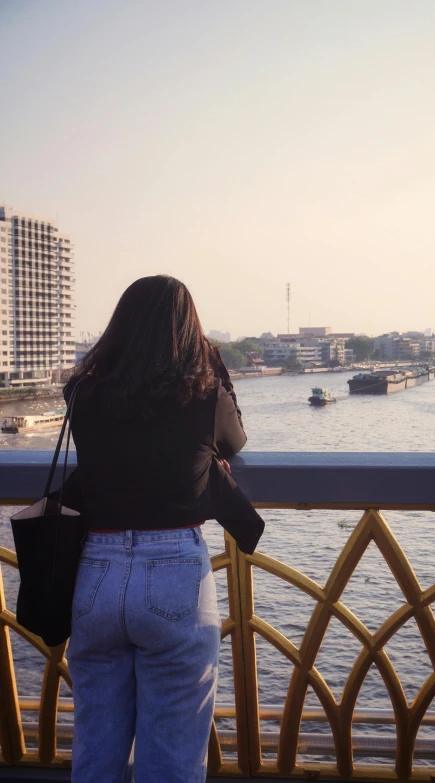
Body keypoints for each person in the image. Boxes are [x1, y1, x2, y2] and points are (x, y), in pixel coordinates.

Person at [59, 275, 264, 783]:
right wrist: (215, 364)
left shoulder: (82, 392)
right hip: (174, 573)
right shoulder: (202, 395)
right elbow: (235, 440)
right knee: (170, 761)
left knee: (96, 752)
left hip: (96, 574)